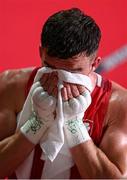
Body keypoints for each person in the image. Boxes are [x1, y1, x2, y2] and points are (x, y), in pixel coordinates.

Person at [0, 7, 127, 179]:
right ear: (40, 53)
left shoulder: (118, 104)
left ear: (94, 64)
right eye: (50, 68)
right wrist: (36, 123)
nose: (60, 81)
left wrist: (74, 125)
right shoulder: (11, 86)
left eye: (73, 73)